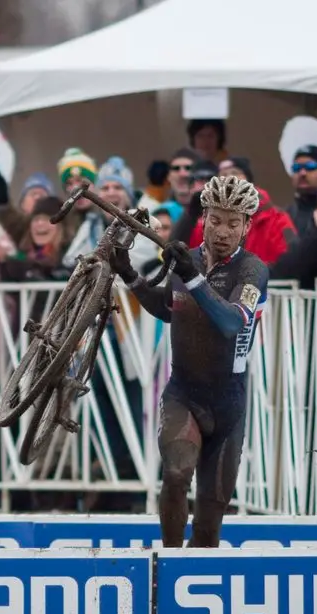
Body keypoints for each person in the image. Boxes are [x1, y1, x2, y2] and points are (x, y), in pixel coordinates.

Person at [108, 175, 269, 548]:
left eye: (233, 222)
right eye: (216, 219)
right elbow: (170, 307)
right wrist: (131, 277)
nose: (223, 231)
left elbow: (230, 322)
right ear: (203, 220)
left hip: (228, 405)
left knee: (210, 527)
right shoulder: (190, 260)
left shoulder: (252, 270)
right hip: (184, 393)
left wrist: (193, 278)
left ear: (247, 225)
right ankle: (167, 562)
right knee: (178, 474)